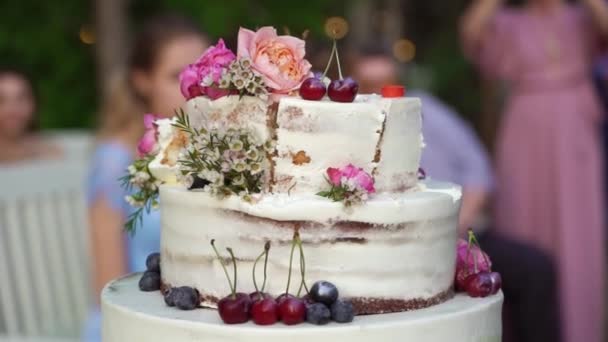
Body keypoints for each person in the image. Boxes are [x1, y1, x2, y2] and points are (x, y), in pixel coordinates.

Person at [351, 50, 561, 342]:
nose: (379, 92)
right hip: (389, 254)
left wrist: (451, 228)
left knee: (536, 267)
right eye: (368, 83)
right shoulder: (344, 130)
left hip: (460, 235)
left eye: (386, 83)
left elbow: (478, 172)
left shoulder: (430, 113)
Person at [461, 1, 608, 341]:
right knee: (521, 217)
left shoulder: (582, 17)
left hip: (575, 123)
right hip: (525, 126)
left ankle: (579, 332)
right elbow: (471, 34)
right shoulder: (508, 21)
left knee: (577, 226)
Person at [84, 14, 208, 341]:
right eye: (177, 75)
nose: (195, 87)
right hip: (138, 326)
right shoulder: (117, 161)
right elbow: (108, 284)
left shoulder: (220, 156)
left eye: (203, 73)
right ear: (142, 81)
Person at [0, 67, 60, 163]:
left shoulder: (51, 154)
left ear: (34, 104)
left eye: (21, 99)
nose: (12, 109)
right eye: (1, 100)